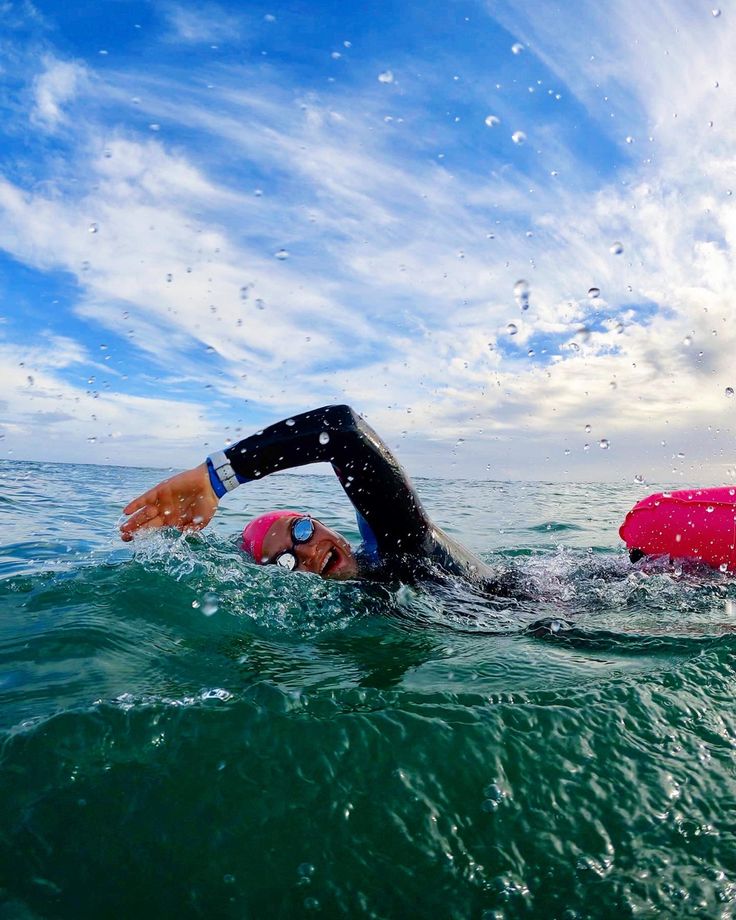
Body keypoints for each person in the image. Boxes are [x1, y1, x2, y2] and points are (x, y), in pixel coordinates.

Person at [120, 404, 513, 594]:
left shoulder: (401, 545)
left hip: (543, 611)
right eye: (286, 561)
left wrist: (217, 478)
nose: (307, 553)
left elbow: (342, 431)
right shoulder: (354, 597)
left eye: (302, 530)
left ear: (321, 523)